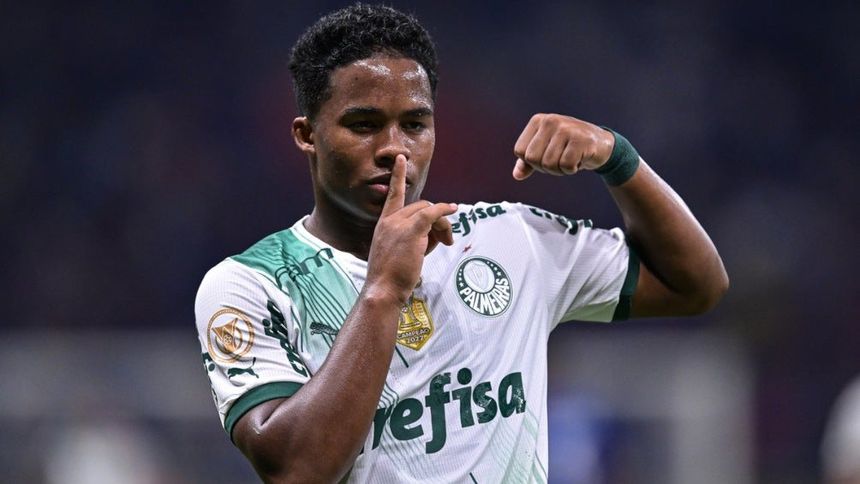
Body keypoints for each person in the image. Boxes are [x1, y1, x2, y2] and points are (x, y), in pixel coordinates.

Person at [194, 4, 728, 482]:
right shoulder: (250, 285)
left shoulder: (509, 238)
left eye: (414, 124)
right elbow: (295, 471)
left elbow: (695, 285)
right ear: (307, 134)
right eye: (363, 124)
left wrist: (618, 158)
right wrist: (383, 289)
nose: (394, 149)